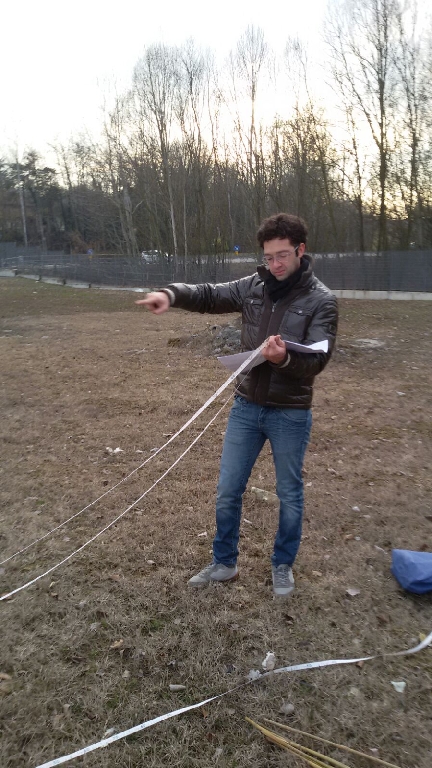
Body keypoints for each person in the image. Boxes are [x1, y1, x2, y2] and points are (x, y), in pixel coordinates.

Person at [136, 213, 338, 597]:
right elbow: (210, 294)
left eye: (282, 256)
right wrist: (171, 294)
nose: (275, 265)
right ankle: (224, 563)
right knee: (228, 489)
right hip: (246, 408)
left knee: (289, 494)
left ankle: (282, 564)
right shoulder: (253, 287)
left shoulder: (321, 301)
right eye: (268, 257)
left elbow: (318, 360)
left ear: (301, 250)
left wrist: (284, 360)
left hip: (290, 413)